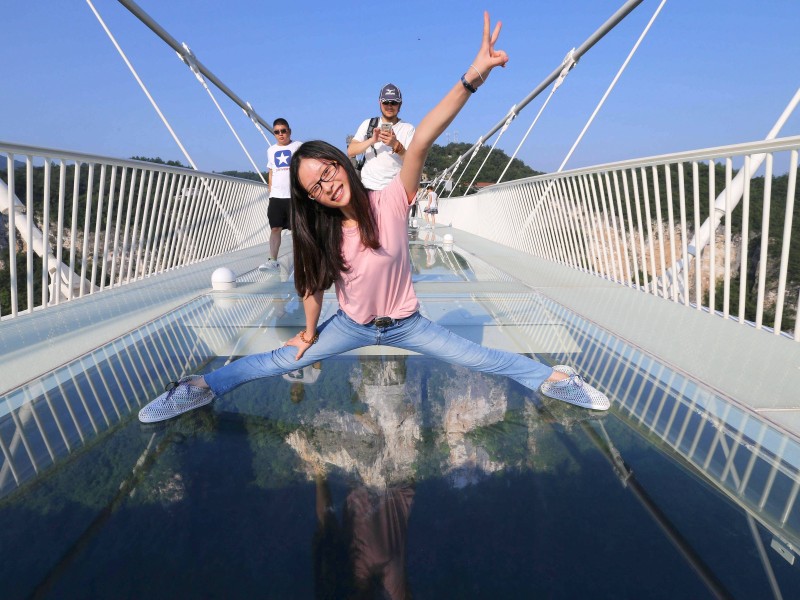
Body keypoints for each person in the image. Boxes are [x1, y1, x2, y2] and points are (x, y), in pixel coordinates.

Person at [138, 13, 610, 424]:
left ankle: (556, 377)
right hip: (352, 326)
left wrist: (472, 77)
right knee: (276, 359)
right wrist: (306, 335)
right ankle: (199, 387)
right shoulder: (321, 231)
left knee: (482, 358)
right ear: (310, 198)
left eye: (327, 171)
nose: (326, 184)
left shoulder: (390, 199)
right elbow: (311, 285)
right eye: (314, 186)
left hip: (408, 324)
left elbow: (422, 138)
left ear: (341, 164)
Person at [347, 84, 415, 191]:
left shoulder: (408, 129)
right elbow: (351, 151)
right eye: (385, 102)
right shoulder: (368, 124)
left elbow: (413, 162)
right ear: (380, 103)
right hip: (368, 188)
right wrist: (372, 140)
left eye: (394, 102)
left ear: (400, 104)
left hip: (394, 190)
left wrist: (396, 145)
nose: (389, 106)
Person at [260, 118, 302, 270]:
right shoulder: (270, 150)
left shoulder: (298, 146)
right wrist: (270, 190)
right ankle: (272, 260)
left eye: (283, 131)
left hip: (294, 196)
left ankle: (301, 259)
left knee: (297, 230)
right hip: (277, 196)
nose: (280, 134)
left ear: (289, 131)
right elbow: (271, 171)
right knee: (275, 228)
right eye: (277, 132)